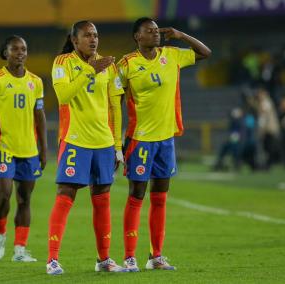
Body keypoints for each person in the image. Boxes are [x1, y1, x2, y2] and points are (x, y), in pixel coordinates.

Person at [117, 17, 211, 271]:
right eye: (149, 31)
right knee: (136, 196)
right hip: (140, 140)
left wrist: (181, 35)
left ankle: (155, 256)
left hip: (166, 140)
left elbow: (205, 52)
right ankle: (129, 257)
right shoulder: (126, 64)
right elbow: (113, 99)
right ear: (137, 36)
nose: (155, 34)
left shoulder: (172, 55)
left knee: (160, 198)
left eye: (157, 31)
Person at [46, 21, 127, 275]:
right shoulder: (62, 63)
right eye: (87, 35)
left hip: (103, 143)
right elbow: (64, 96)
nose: (93, 39)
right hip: (75, 140)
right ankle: (52, 260)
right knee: (65, 195)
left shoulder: (109, 65)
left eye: (96, 35)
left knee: (102, 200)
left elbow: (115, 107)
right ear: (74, 39)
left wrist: (116, 146)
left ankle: (104, 260)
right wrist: (90, 71)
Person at [0, 35, 47, 262]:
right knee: (4, 195)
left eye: (24, 49)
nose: (20, 52)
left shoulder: (35, 81)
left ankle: (20, 249)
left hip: (29, 150)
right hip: (3, 147)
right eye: (15, 49)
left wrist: (44, 150)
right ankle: (0, 234)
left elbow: (40, 116)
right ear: (5, 53)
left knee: (25, 199)